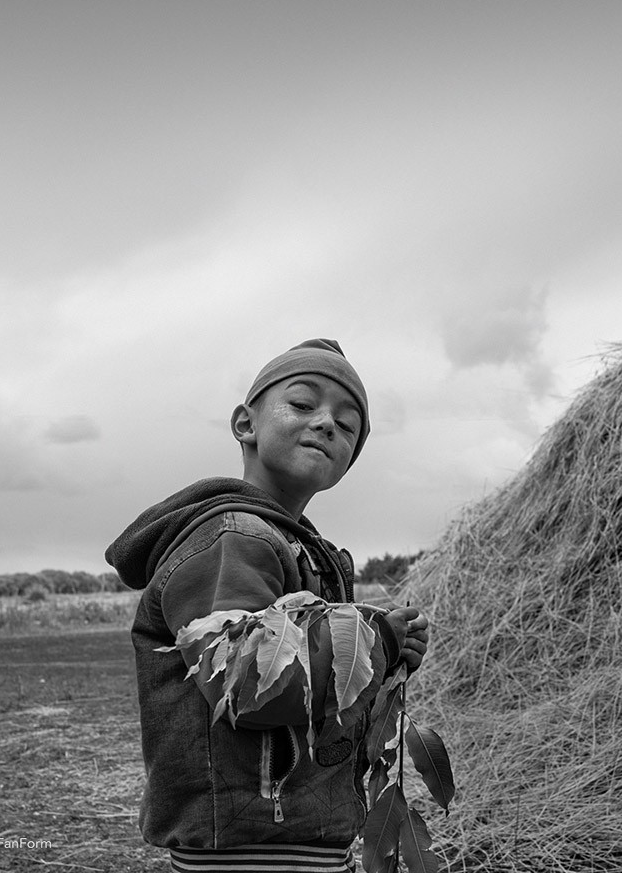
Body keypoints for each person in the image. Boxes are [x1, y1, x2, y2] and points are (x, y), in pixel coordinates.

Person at [106, 339, 428, 873]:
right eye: (303, 405)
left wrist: (385, 657)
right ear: (245, 424)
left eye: (348, 426)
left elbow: (324, 698)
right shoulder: (231, 538)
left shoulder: (295, 547)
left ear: (348, 462)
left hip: (298, 833)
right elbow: (250, 682)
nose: (327, 424)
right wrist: (376, 639)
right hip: (247, 847)